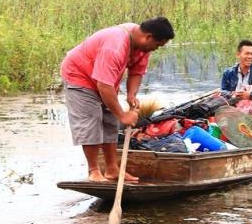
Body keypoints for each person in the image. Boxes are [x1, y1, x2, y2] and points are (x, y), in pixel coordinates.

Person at [60, 17, 174, 182]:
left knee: (110, 121)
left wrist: (131, 95)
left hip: (104, 79)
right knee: (91, 120)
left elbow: (137, 71)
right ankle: (94, 171)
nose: (156, 49)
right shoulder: (115, 45)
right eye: (157, 45)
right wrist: (123, 115)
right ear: (148, 37)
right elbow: (104, 86)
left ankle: (112, 170)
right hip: (79, 74)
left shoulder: (142, 45)